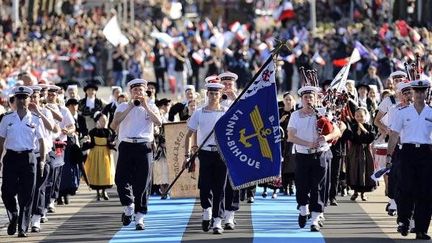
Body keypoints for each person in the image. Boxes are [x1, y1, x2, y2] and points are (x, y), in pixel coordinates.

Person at [287, 83, 340, 232]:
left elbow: (337, 132)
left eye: (311, 97)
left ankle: (316, 218)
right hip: (303, 154)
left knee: (319, 186)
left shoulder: (323, 112)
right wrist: (308, 143)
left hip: (321, 154)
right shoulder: (295, 115)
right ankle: (303, 209)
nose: (308, 100)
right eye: (306, 97)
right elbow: (291, 137)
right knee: (302, 186)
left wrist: (327, 137)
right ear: (301, 99)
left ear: (316, 98)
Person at [111, 79, 162, 230]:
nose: (138, 93)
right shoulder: (122, 106)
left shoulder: (151, 105)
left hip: (144, 146)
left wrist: (145, 106)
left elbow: (158, 122)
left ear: (145, 91)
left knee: (143, 183)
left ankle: (140, 216)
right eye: (135, 91)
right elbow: (113, 125)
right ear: (130, 92)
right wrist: (129, 107)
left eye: (140, 90)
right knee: (121, 179)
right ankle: (129, 206)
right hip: (126, 145)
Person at [387, 79, 432, 240]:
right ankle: (404, 221)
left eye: (423, 91)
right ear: (413, 92)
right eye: (417, 91)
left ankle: (421, 229)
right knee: (405, 189)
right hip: (407, 152)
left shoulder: (431, 112)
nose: (420, 94)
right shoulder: (403, 112)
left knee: (425, 192)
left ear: (427, 92)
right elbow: (394, 135)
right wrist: (389, 155)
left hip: (426, 153)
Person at [182, 77, 227, 234]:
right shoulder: (199, 113)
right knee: (205, 186)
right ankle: (206, 211)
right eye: (212, 93)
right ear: (207, 94)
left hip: (222, 154)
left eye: (217, 93)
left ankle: (217, 220)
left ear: (220, 95)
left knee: (220, 188)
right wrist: (187, 156)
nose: (214, 96)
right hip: (205, 153)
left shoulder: (227, 113)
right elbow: (188, 135)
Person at [0, 86, 46, 237]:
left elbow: (41, 141)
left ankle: (22, 227)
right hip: (11, 158)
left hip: (28, 158)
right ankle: (13, 215)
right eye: (19, 97)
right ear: (15, 99)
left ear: (29, 99)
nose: (21, 100)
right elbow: (1, 142)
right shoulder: (7, 118)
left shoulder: (35, 119)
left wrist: (42, 161)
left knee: (27, 194)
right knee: (7, 191)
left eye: (24, 97)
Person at [28, 85, 58, 233]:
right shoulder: (23, 113)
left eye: (36, 97)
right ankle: (26, 215)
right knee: (27, 188)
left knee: (40, 186)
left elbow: (52, 127)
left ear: (40, 98)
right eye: (31, 97)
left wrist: (38, 112)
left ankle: (36, 218)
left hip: (43, 153)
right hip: (27, 154)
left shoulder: (45, 111)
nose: (33, 99)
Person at [218, 71, 240, 230]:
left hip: (235, 146)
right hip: (217, 145)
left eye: (229, 84)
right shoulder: (213, 99)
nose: (227, 87)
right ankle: (217, 213)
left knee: (233, 181)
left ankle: (230, 214)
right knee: (218, 181)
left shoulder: (239, 99)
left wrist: (235, 98)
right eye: (224, 84)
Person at [345, 107, 377, 201]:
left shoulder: (369, 126)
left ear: (365, 116)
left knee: (365, 171)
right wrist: (357, 134)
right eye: (357, 116)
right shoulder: (353, 126)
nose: (359, 118)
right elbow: (351, 138)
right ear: (354, 116)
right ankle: (355, 192)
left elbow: (371, 138)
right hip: (355, 151)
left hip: (365, 151)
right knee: (354, 170)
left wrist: (364, 131)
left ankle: (363, 193)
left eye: (361, 116)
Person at [85, 112, 115, 200]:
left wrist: (112, 144)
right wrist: (87, 143)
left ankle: (104, 191)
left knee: (105, 172)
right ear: (97, 121)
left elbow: (110, 143)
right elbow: (90, 144)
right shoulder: (92, 132)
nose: (104, 122)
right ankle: (98, 192)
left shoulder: (108, 131)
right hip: (95, 153)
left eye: (105, 120)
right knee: (96, 172)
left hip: (105, 153)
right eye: (102, 120)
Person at [279, 92, 296, 196]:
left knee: (292, 163)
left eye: (290, 99)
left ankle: (292, 184)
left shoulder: (296, 113)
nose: (288, 101)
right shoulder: (279, 111)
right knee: (283, 163)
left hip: (293, 141)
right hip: (281, 141)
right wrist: (280, 121)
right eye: (287, 99)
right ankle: (283, 185)